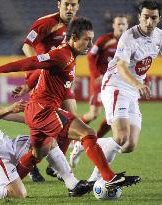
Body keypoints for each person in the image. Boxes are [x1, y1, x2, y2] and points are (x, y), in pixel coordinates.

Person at [0, 17, 141, 195]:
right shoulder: (61, 55)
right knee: (87, 133)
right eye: (86, 39)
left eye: (92, 39)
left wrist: (29, 86)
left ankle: (6, 187)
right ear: (73, 38)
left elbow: (43, 71)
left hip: (38, 110)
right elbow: (32, 62)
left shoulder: (70, 56)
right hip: (43, 110)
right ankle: (109, 178)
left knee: (36, 155)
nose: (90, 43)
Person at [0, 54, 90, 198]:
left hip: (2, 141)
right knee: (18, 193)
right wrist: (9, 108)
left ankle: (72, 184)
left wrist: (30, 119)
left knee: (48, 142)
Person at [83, 0, 162, 183]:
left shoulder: (159, 35)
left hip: (133, 89)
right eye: (146, 17)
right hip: (116, 85)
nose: (149, 22)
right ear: (139, 17)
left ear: (159, 18)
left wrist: (137, 85)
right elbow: (121, 66)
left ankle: (86, 143)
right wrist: (138, 84)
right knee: (120, 136)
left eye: (154, 18)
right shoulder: (129, 37)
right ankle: (96, 179)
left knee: (129, 145)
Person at [14, 0, 81, 182]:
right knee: (42, 123)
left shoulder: (76, 25)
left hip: (61, 79)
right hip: (42, 78)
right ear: (58, 4)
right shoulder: (45, 23)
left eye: (73, 5)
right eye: (66, 4)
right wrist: (40, 65)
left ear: (78, 6)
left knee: (71, 119)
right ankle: (32, 162)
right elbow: (26, 45)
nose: (70, 8)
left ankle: (55, 167)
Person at [70, 15, 129, 168]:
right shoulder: (104, 40)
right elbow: (90, 57)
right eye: (118, 24)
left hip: (120, 84)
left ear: (127, 25)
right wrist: (96, 75)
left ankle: (93, 141)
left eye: (123, 24)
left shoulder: (129, 41)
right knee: (94, 114)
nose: (121, 27)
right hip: (102, 82)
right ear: (114, 25)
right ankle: (74, 135)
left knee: (113, 118)